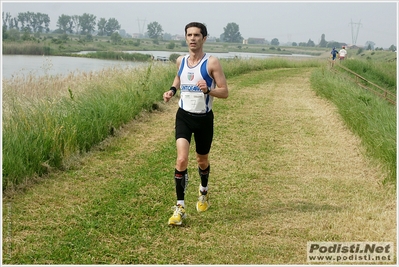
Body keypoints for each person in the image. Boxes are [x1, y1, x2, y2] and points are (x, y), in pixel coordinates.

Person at [163, 22, 229, 226]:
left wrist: (209, 90)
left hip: (203, 119)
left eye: (197, 35)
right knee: (181, 159)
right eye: (189, 35)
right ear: (185, 38)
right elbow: (179, 77)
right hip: (183, 116)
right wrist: (172, 90)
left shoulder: (212, 63)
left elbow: (225, 92)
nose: (193, 38)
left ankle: (204, 191)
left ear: (204, 38)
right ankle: (180, 207)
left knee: (202, 160)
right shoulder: (180, 60)